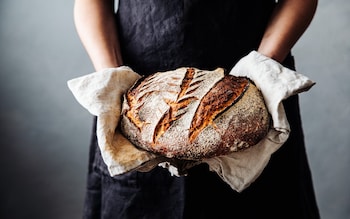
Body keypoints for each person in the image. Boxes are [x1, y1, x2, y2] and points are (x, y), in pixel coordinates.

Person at [73, 0, 320, 218]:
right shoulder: (131, 102)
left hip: (255, 89)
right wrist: (115, 80)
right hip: (139, 103)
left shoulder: (256, 82)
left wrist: (261, 67)